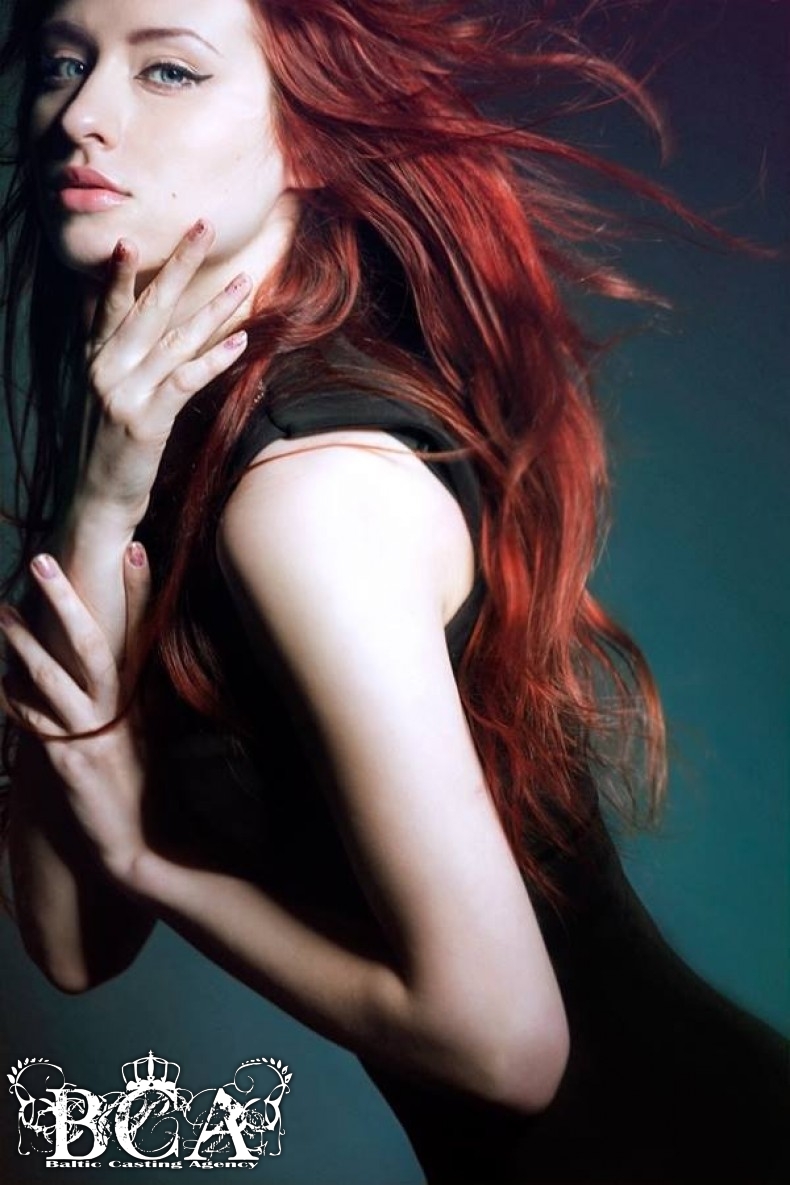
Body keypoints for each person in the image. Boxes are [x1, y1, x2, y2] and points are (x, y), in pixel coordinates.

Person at [0, 1, 787, 1182]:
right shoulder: (159, 456)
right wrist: (101, 505)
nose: (80, 114)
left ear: (306, 138)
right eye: (65, 63)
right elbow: (69, 947)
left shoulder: (310, 497)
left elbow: (503, 1048)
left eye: (167, 71)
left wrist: (148, 860)